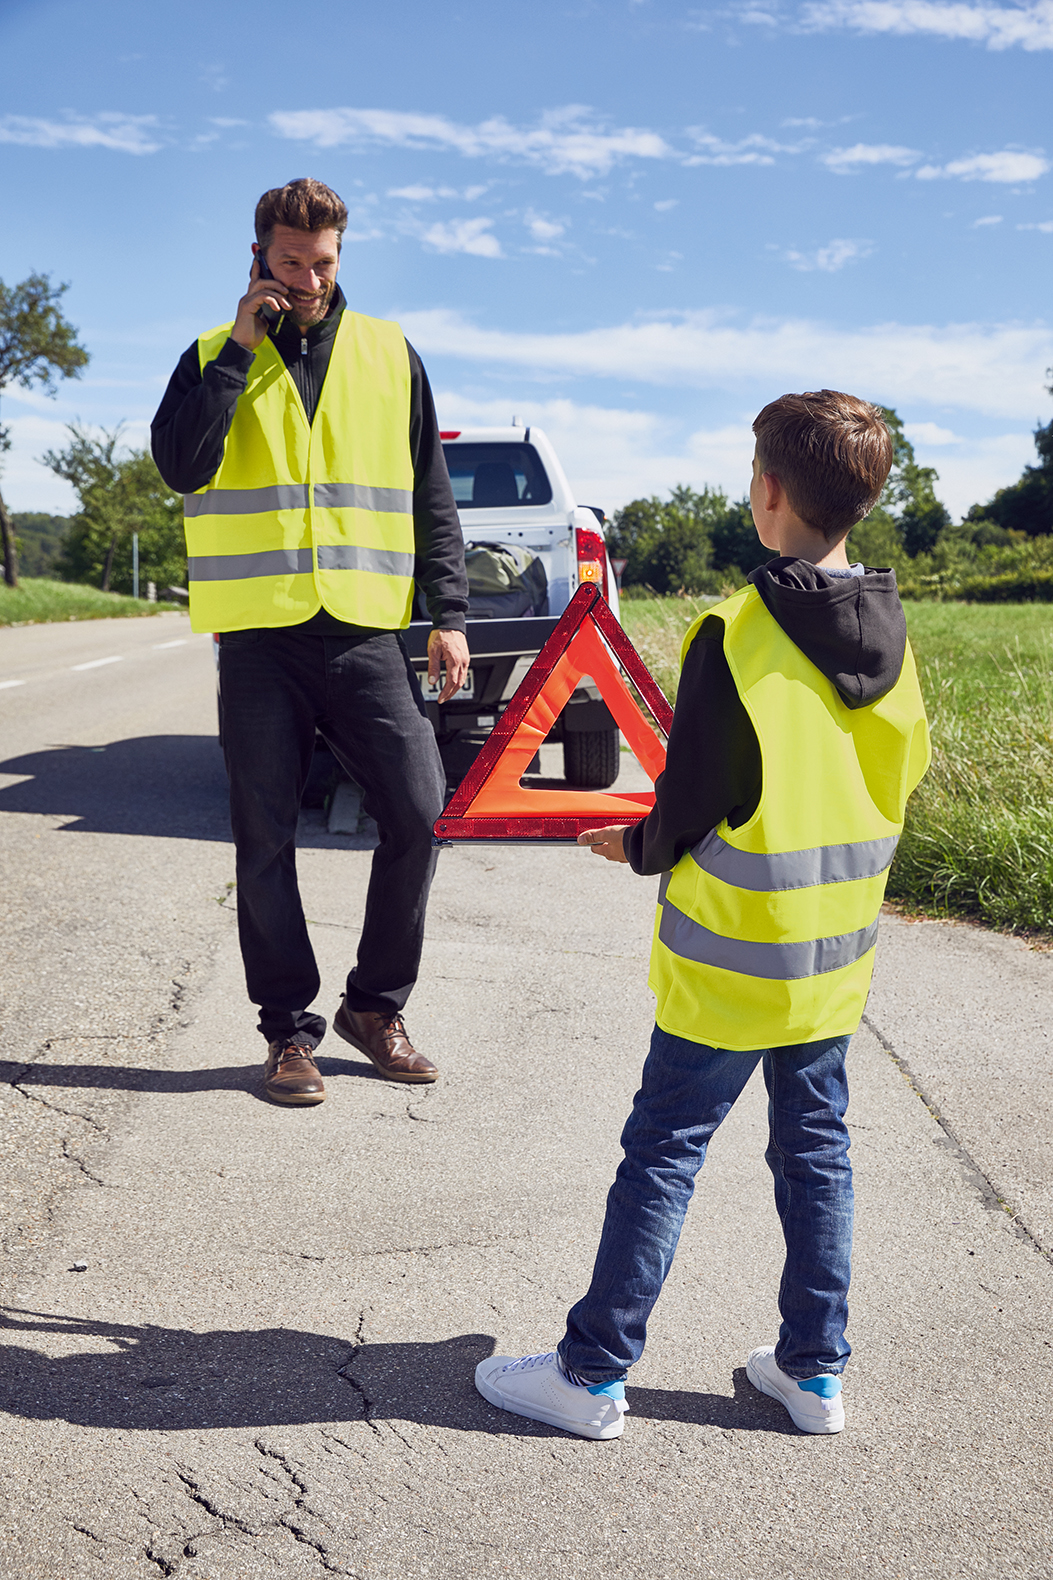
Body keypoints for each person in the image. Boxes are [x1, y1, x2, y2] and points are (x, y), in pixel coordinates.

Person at [474, 391, 930, 1438]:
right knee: (816, 1150)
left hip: (731, 957)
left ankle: (590, 1374)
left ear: (767, 492)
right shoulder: (895, 633)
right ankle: (815, 1372)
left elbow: (691, 798)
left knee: (665, 1148)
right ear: (862, 498)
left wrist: (632, 845)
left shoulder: (741, 629)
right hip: (833, 962)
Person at [152, 178, 469, 1107]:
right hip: (260, 639)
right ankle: (287, 1033)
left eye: (322, 262)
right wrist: (241, 347)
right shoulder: (215, 354)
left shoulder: (387, 352)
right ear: (257, 257)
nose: (307, 279)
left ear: (341, 255)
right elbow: (181, 466)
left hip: (366, 632)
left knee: (417, 812)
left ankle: (374, 1007)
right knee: (264, 838)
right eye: (289, 261)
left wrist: (447, 615)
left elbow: (430, 496)